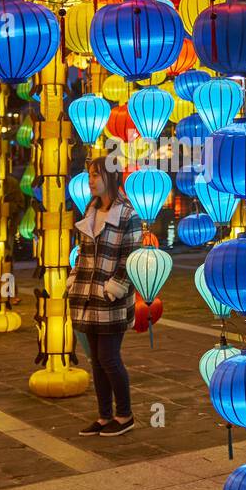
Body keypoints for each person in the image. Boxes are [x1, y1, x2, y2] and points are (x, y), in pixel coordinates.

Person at [66, 156, 143, 438]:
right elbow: (83, 252)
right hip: (85, 295)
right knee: (96, 360)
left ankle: (125, 415)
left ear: (110, 177)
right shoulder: (91, 209)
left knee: (109, 358)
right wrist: (74, 280)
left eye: (95, 175)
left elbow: (131, 258)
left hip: (111, 300)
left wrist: (114, 288)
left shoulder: (127, 215)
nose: (91, 181)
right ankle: (104, 415)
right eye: (89, 176)